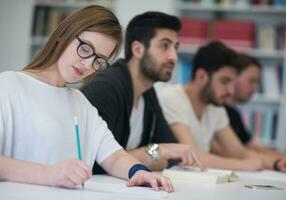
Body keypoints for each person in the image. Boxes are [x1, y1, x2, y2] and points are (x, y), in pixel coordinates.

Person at [0, 5, 174, 192]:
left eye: (99, 60)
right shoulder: (8, 86)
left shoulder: (81, 103)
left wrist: (139, 172)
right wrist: (51, 174)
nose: (87, 64)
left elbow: (114, 156)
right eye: (85, 49)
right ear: (63, 35)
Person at [82, 11, 203, 173]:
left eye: (175, 47)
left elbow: (173, 154)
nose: (173, 57)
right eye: (164, 46)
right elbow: (97, 159)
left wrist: (155, 152)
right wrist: (157, 151)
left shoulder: (148, 93)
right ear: (138, 49)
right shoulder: (105, 88)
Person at [158, 41, 265, 171]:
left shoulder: (215, 106)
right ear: (201, 76)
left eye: (233, 83)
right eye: (224, 81)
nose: (231, 91)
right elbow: (192, 157)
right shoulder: (172, 97)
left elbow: (238, 152)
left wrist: (276, 162)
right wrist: (244, 165)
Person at [220, 54, 286, 172]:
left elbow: (252, 147)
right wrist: (281, 162)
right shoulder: (218, 111)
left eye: (257, 82)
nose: (255, 88)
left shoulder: (234, 113)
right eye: (251, 81)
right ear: (233, 77)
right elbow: (235, 153)